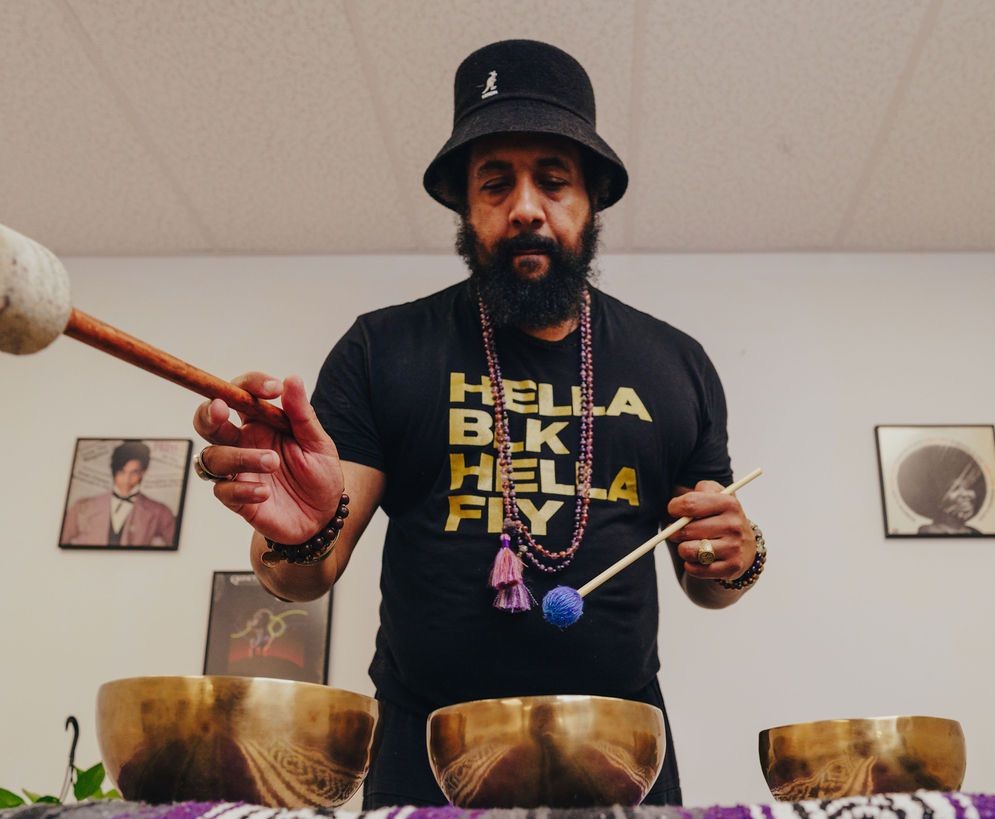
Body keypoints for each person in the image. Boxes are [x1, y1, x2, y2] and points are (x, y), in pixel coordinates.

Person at [191, 40, 765, 807]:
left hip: (623, 755)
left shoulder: (677, 364)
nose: (525, 205)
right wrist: (298, 530)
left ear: (590, 199)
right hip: (425, 758)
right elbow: (300, 575)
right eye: (496, 183)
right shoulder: (382, 349)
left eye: (553, 181)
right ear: (466, 206)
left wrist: (740, 555)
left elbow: (710, 581)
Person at [60, 440, 177, 547]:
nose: (127, 479)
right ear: (114, 470)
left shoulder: (160, 511)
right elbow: (61, 545)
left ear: (143, 472)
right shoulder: (82, 507)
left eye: (134, 472)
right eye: (122, 472)